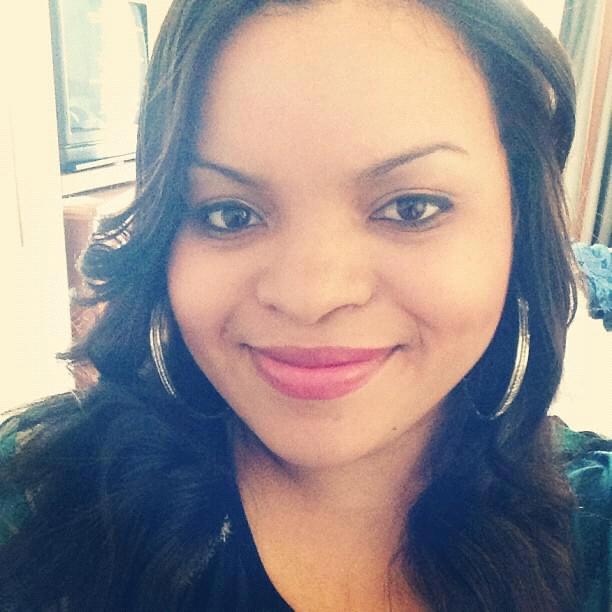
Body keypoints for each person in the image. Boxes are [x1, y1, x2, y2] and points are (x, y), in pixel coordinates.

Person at [0, 0, 609, 610]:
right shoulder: (36, 505)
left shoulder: (595, 533)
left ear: (520, 223)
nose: (310, 297)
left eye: (410, 208)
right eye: (229, 214)